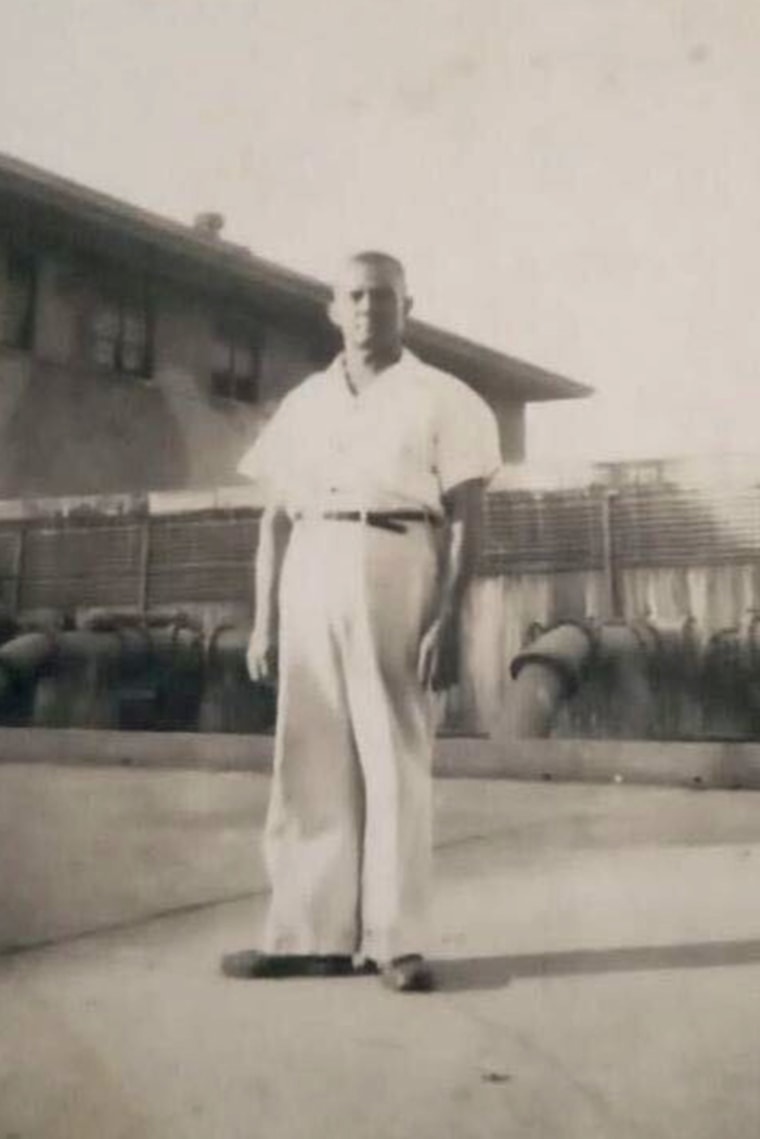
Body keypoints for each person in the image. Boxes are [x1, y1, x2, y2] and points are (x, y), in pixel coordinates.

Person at [222, 251, 502, 991]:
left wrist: (450, 616)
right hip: (312, 559)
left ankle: (397, 942)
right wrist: (264, 621)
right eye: (354, 295)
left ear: (409, 305)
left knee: (393, 750)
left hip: (397, 555)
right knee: (308, 748)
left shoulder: (446, 397)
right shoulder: (304, 402)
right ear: (331, 308)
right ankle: (306, 933)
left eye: (383, 296)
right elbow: (274, 523)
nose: (368, 308)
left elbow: (471, 520)